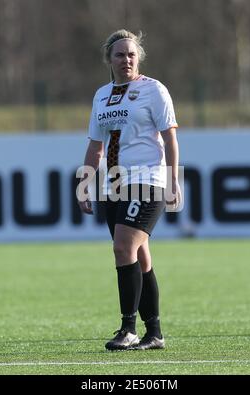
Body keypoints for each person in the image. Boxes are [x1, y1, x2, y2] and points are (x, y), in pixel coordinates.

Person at [78, 29, 181, 351]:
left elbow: (169, 138)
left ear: (139, 59)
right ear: (109, 59)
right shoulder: (101, 95)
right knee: (139, 255)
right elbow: (96, 146)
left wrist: (173, 179)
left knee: (123, 247)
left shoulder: (153, 90)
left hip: (148, 180)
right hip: (115, 184)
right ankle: (155, 334)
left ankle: (128, 328)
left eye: (132, 54)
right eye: (120, 54)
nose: (126, 60)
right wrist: (84, 184)